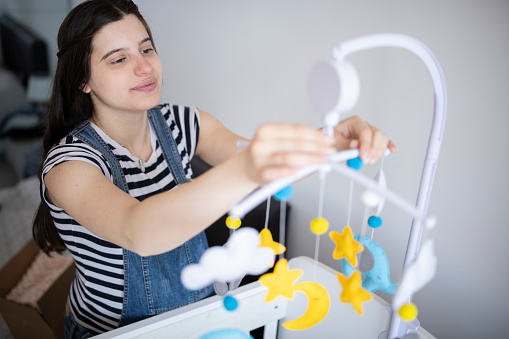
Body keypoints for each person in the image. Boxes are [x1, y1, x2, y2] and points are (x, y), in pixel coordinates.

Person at [32, 0, 396, 337]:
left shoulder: (183, 123)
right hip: (116, 332)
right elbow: (138, 230)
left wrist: (335, 142)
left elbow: (270, 163)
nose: (143, 67)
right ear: (82, 79)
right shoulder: (69, 165)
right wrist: (247, 170)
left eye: (146, 49)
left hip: (199, 318)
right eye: (118, 59)